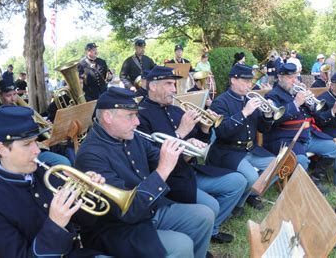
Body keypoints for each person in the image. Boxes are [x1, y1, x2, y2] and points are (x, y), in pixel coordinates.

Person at [75, 87, 214, 257]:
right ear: (108, 117)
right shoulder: (90, 155)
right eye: (130, 116)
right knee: (181, 244)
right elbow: (127, 211)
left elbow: (161, 158)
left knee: (204, 215)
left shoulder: (131, 136)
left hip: (148, 210)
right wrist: (163, 169)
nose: (137, 122)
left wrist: (184, 150)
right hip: (117, 228)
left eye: (136, 115)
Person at [0, 105, 105, 257]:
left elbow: (83, 221)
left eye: (35, 141)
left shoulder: (46, 173)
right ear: (2, 149)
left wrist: (89, 193)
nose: (37, 150)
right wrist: (55, 225)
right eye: (27, 144)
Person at [138, 66, 245, 244]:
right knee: (212, 206)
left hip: (189, 170)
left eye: (174, 84)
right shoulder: (140, 116)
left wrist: (204, 128)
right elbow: (151, 158)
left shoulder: (175, 110)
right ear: (153, 86)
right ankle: (203, 232)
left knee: (238, 182)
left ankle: (210, 229)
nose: (174, 89)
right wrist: (180, 133)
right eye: (169, 84)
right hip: (170, 181)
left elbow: (198, 140)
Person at [263, 63, 336, 194]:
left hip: (306, 136)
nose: (294, 80)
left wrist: (310, 102)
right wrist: (295, 104)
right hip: (286, 139)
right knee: (302, 161)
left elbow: (315, 115)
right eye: (290, 77)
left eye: (295, 77)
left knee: (332, 147)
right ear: (280, 77)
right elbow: (274, 121)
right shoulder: (272, 96)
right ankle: (297, 189)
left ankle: (315, 179)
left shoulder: (296, 92)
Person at [208, 64, 276, 211]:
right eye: (245, 81)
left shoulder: (249, 99)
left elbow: (263, 129)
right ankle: (238, 204)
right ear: (233, 80)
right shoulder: (220, 102)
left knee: (277, 165)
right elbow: (222, 132)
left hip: (251, 149)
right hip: (228, 151)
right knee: (252, 177)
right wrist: (244, 113)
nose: (249, 85)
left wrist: (268, 114)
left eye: (250, 81)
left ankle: (249, 195)